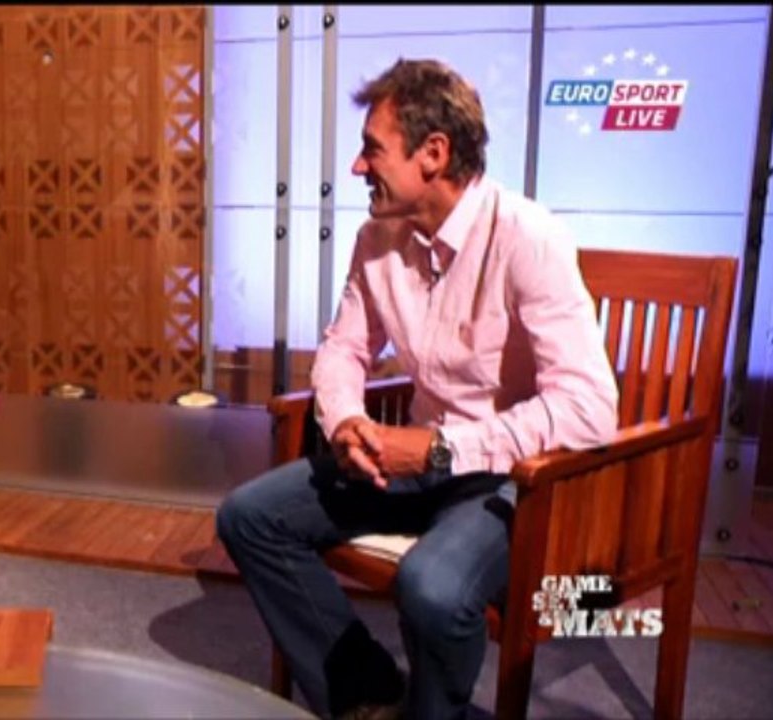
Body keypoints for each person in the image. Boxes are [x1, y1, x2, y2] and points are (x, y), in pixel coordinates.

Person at [216, 58, 618, 720]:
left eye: (371, 149)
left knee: (430, 588)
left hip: (510, 477)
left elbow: (588, 407)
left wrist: (434, 450)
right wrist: (346, 422)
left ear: (433, 154)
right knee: (249, 517)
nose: (356, 167)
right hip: (408, 464)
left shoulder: (528, 238)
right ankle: (371, 697)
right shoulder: (376, 238)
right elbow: (344, 348)